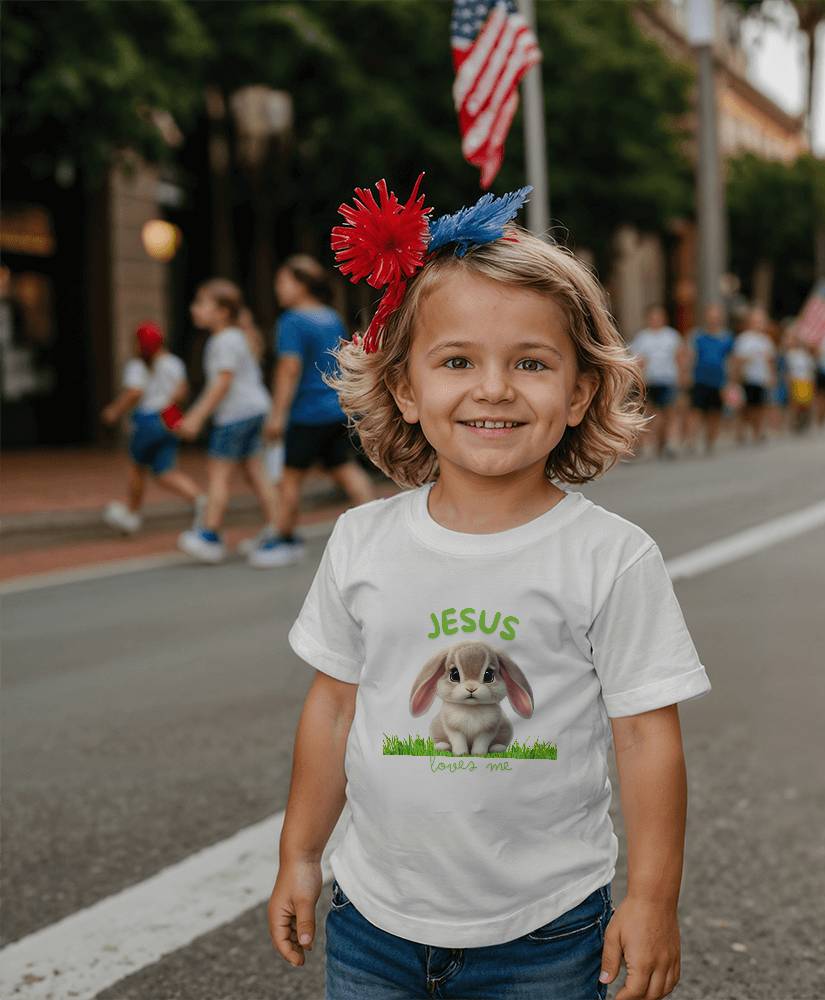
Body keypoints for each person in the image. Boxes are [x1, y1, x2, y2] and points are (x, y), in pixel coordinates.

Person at [266, 180, 711, 1000]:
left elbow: (648, 740)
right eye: (458, 361)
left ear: (580, 392)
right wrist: (300, 854)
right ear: (405, 386)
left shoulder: (610, 556)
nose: (495, 388)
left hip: (543, 930)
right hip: (372, 920)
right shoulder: (362, 540)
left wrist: (651, 900)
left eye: (532, 363)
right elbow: (333, 707)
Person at [249, 255, 378, 568]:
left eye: (283, 282)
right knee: (346, 471)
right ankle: (378, 531)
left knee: (289, 479)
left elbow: (289, 369)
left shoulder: (292, 321)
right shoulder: (330, 317)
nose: (278, 289)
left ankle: (283, 538)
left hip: (305, 414)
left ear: (301, 285)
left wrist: (278, 415)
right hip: (335, 408)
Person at [175, 279, 277, 562]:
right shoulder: (234, 337)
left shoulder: (224, 340)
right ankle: (277, 528)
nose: (194, 309)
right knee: (255, 472)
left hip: (235, 415)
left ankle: (209, 535)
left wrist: (195, 417)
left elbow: (222, 383)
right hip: (254, 410)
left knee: (218, 474)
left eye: (200, 303)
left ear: (221, 311)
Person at [100, 321, 204, 535]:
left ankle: (132, 513)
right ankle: (201, 500)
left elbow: (134, 393)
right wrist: (171, 415)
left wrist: (114, 411)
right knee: (165, 471)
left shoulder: (138, 365)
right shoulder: (174, 362)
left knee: (137, 467)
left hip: (148, 419)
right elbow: (181, 392)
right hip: (170, 417)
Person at [629, 304, 686, 458]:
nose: (655, 319)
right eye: (653, 316)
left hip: (668, 379)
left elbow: (680, 357)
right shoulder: (642, 337)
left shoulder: (672, 336)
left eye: (658, 316)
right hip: (650, 381)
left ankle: (668, 442)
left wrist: (682, 377)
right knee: (648, 414)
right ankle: (644, 444)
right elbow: (637, 361)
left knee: (669, 413)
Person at [684, 302, 734, 455]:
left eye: (716, 317)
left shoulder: (726, 338)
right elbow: (690, 355)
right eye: (711, 317)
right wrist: (686, 373)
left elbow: (730, 360)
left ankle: (710, 441)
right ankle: (691, 441)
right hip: (700, 379)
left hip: (718, 381)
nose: (713, 320)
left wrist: (731, 381)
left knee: (715, 413)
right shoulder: (697, 336)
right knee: (695, 411)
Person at [731, 306, 775, 444]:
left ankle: (758, 432)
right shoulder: (743, 339)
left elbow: (770, 361)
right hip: (747, 378)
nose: (759, 324)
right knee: (745, 407)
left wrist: (771, 376)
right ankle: (741, 432)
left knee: (759, 406)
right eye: (756, 321)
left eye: (761, 321)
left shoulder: (766, 341)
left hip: (760, 379)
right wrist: (736, 377)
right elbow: (736, 360)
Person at [785, 328, 817, 433]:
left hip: (806, 381)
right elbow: (788, 370)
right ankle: (794, 423)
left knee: (806, 404)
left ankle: (805, 422)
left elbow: (810, 370)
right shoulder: (790, 354)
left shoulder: (806, 355)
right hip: (795, 381)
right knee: (795, 405)